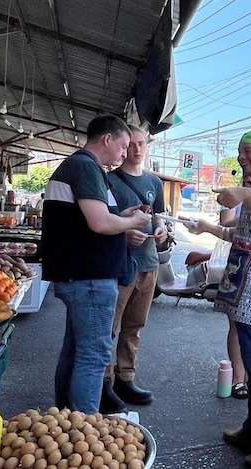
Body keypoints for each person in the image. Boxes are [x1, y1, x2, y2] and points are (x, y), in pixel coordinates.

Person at [187, 130, 251, 468]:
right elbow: (239, 233)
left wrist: (243, 190)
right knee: (249, 358)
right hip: (245, 277)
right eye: (239, 152)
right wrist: (208, 227)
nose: (242, 157)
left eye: (248, 151)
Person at [41, 115, 151, 413]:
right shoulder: (85, 167)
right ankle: (84, 426)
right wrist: (133, 220)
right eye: (124, 145)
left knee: (77, 349)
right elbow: (100, 222)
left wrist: (125, 217)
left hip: (81, 276)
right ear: (107, 139)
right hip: (88, 278)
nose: (125, 153)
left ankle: (65, 418)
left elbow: (92, 219)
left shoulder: (82, 167)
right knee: (93, 354)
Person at [100, 125, 168, 413]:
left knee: (135, 327)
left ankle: (126, 378)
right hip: (120, 264)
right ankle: (104, 381)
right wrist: (124, 233)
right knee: (109, 326)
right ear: (124, 147)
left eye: (142, 144)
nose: (137, 149)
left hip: (149, 262)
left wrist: (161, 228)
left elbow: (159, 216)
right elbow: (101, 220)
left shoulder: (155, 182)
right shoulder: (109, 180)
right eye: (133, 144)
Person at [219, 173, 251, 400]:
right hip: (237, 263)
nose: (249, 186)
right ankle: (237, 378)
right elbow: (225, 221)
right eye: (247, 183)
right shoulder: (238, 201)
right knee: (235, 323)